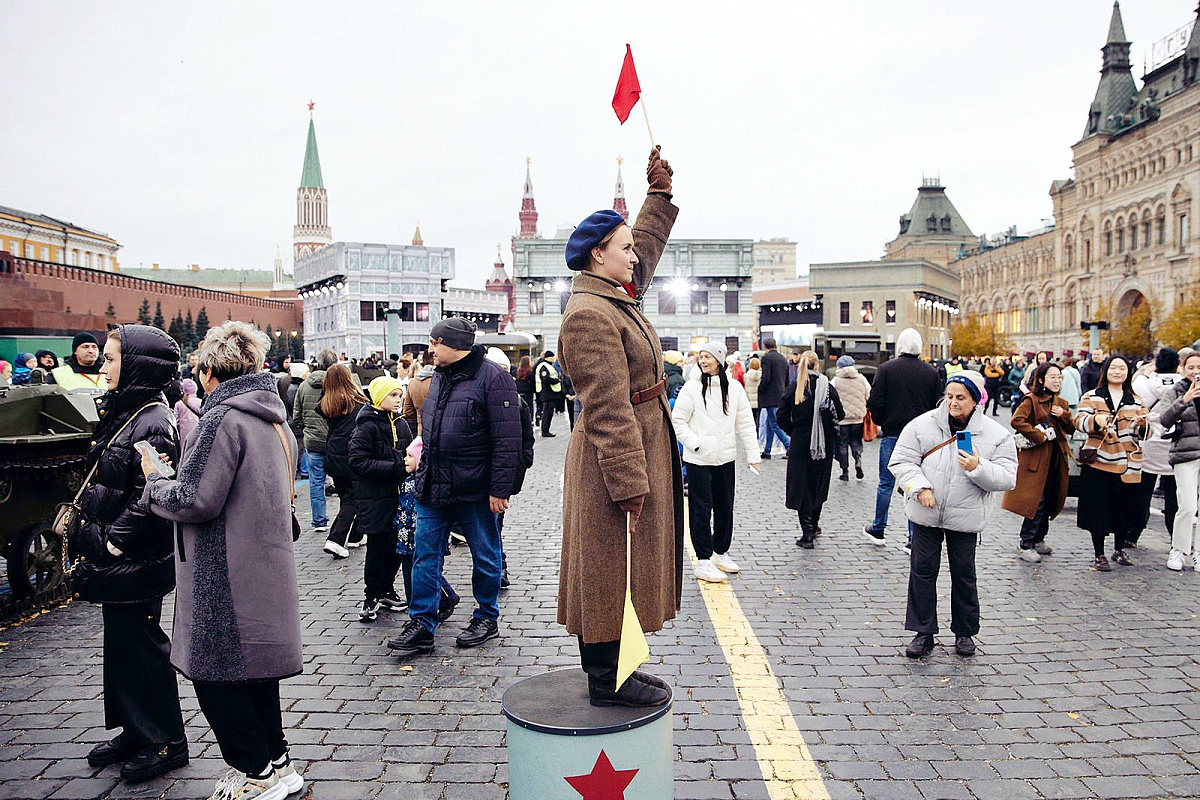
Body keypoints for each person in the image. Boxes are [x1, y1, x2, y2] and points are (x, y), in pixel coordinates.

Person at [140, 321, 304, 799]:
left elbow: (195, 498)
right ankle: (277, 763)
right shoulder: (272, 417)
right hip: (261, 567)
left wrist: (155, 481)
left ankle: (255, 773)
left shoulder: (221, 420)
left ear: (209, 372)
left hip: (222, 572)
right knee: (255, 671)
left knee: (215, 676)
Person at [547, 146, 680, 708]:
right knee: (607, 570)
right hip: (613, 461)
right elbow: (605, 409)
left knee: (624, 567)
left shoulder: (611, 298)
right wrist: (630, 481)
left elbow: (643, 251)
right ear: (599, 256)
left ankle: (620, 669)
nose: (634, 257)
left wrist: (659, 199)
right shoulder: (588, 316)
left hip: (636, 447)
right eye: (622, 248)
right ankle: (606, 680)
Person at [77, 324, 187, 782]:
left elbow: (152, 492)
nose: (103, 366)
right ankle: (134, 729)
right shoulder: (131, 410)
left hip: (134, 558)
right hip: (118, 560)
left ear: (138, 366)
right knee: (122, 647)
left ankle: (165, 739)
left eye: (112, 358)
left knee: (143, 648)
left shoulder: (153, 420)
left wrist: (113, 540)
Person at [386, 317, 522, 657]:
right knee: (425, 555)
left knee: (486, 556)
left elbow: (508, 440)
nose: (430, 349)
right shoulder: (439, 377)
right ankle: (422, 624)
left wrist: (500, 489)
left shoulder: (495, 379)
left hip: (475, 489)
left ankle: (486, 617)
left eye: (435, 342)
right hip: (434, 486)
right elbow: (430, 432)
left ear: (455, 344)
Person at [891, 370, 1017, 658]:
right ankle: (923, 631)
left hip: (966, 515)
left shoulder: (996, 435)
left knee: (964, 574)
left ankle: (965, 633)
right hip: (926, 511)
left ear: (976, 400)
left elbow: (1008, 477)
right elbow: (901, 461)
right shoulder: (922, 425)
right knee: (922, 571)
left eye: (960, 397)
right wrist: (919, 486)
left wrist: (977, 467)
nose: (953, 403)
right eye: (949, 396)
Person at [671, 341, 759, 583]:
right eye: (701, 356)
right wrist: (696, 443)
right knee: (701, 510)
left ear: (720, 360)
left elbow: (745, 423)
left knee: (725, 507)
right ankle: (703, 560)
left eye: (708, 356)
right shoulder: (691, 388)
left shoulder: (734, 388)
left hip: (726, 458)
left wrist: (753, 455)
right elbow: (677, 421)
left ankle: (720, 552)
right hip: (699, 459)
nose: (704, 360)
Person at [863, 328, 942, 546]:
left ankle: (879, 527)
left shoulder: (886, 369)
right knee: (915, 482)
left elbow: (875, 401)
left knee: (885, 483)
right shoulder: (930, 372)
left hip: (893, 432)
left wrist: (882, 421)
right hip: (920, 436)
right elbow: (937, 405)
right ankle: (913, 538)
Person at [1074, 354, 1148, 571]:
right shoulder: (1093, 396)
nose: (1118, 372)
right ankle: (1099, 554)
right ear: (1105, 371)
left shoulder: (1135, 399)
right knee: (1098, 509)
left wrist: (1142, 425)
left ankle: (1118, 549)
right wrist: (1096, 420)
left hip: (1128, 463)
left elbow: (1146, 431)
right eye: (1113, 368)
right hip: (1099, 462)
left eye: (1122, 368)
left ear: (1128, 373)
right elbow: (1078, 421)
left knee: (1125, 509)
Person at [387, 439, 461, 650]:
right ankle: (428, 608)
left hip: (416, 534)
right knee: (416, 570)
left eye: (410, 456)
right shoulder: (408, 478)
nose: (405, 459)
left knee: (420, 569)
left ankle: (431, 605)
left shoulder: (421, 482)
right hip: (405, 533)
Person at [349, 375, 413, 620]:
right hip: (376, 499)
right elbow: (357, 462)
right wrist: (395, 468)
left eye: (399, 395)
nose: (398, 400)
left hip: (400, 499)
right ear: (378, 397)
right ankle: (371, 596)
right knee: (377, 549)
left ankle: (386, 589)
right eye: (392, 395)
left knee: (397, 547)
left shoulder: (402, 423)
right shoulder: (366, 426)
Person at [1003, 362, 1075, 562]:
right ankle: (1026, 542)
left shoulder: (1061, 403)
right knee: (1037, 501)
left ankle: (1039, 538)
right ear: (1041, 379)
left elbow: (1071, 428)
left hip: (1056, 457)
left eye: (1059, 377)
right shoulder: (1031, 400)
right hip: (1036, 457)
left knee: (1052, 497)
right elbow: (1017, 421)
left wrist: (1064, 416)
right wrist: (1039, 435)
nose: (1057, 381)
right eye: (1053, 377)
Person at [778, 351, 843, 548]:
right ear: (817, 365)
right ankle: (814, 526)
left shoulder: (794, 388)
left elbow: (781, 418)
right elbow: (839, 414)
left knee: (801, 487)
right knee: (818, 485)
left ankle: (806, 533)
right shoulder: (828, 388)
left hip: (800, 443)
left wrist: (795, 431)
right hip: (824, 444)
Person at [1132, 348, 1182, 549]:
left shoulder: (1141, 384)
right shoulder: (1185, 386)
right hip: (1175, 443)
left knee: (1142, 494)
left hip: (1149, 442)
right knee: (1173, 496)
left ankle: (1132, 534)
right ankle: (1176, 538)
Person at [318, 364, 368, 559]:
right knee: (353, 499)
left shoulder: (327, 403)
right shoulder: (356, 403)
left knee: (347, 497)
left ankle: (356, 535)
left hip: (333, 456)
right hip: (351, 455)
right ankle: (336, 540)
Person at [1160, 351, 1200, 572]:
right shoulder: (1175, 391)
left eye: (1199, 367)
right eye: (1191, 367)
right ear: (1183, 369)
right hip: (1185, 453)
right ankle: (1179, 549)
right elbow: (1164, 419)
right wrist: (1184, 401)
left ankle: (1199, 553)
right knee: (1187, 505)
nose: (1195, 372)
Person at [293, 348, 339, 533]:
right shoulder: (337, 385)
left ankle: (319, 521)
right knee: (344, 482)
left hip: (312, 442)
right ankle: (346, 521)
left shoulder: (304, 386)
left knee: (316, 483)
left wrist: (307, 429)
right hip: (335, 441)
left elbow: (296, 416)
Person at [832, 354, 870, 481]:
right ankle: (858, 459)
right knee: (856, 441)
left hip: (842, 419)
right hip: (858, 418)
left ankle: (845, 471)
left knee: (842, 444)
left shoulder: (835, 380)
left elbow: (830, 397)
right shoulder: (861, 378)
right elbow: (869, 393)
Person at [758, 338, 791, 459]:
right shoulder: (783, 358)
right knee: (770, 423)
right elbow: (787, 378)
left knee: (774, 424)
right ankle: (767, 450)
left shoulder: (766, 358)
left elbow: (766, 378)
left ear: (765, 346)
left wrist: (760, 389)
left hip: (770, 395)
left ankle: (789, 446)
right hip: (780, 394)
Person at [401, 350, 436, 436]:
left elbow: (408, 412)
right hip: (440, 432)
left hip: (420, 431)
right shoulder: (441, 380)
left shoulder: (413, 383)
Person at [534, 350, 564, 437]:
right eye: (553, 356)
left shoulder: (548, 365)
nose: (554, 358)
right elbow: (545, 378)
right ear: (548, 357)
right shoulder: (544, 366)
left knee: (549, 412)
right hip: (547, 393)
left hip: (550, 393)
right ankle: (545, 431)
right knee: (547, 412)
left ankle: (546, 430)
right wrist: (556, 381)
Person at [174, 378, 203, 443]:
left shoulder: (179, 404)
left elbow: (176, 420)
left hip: (184, 432)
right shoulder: (200, 402)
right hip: (198, 430)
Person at [513, 355, 535, 426]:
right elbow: (533, 382)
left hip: (518, 392)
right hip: (528, 393)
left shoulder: (516, 371)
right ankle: (529, 421)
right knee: (529, 407)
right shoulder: (530, 372)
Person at [744, 355, 762, 429]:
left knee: (752, 419)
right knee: (760, 419)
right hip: (760, 400)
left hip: (750, 401)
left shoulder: (746, 375)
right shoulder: (761, 375)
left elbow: (746, 389)